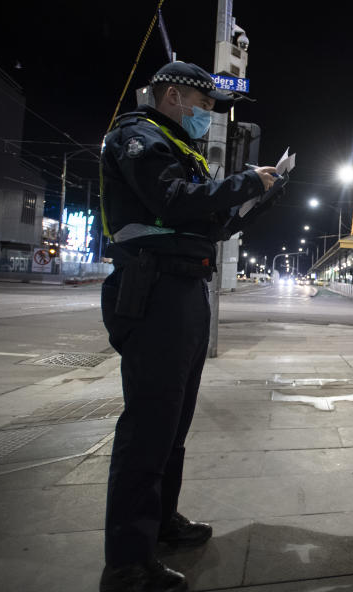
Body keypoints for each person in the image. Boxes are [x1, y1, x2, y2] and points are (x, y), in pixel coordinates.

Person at [97, 61, 279, 592]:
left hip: (183, 288)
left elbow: (211, 221)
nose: (208, 116)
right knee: (149, 425)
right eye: (204, 106)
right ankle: (128, 561)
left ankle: (160, 522)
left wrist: (259, 197)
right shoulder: (139, 138)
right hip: (153, 289)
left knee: (173, 423)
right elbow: (171, 200)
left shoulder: (180, 148)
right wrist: (244, 181)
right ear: (174, 96)